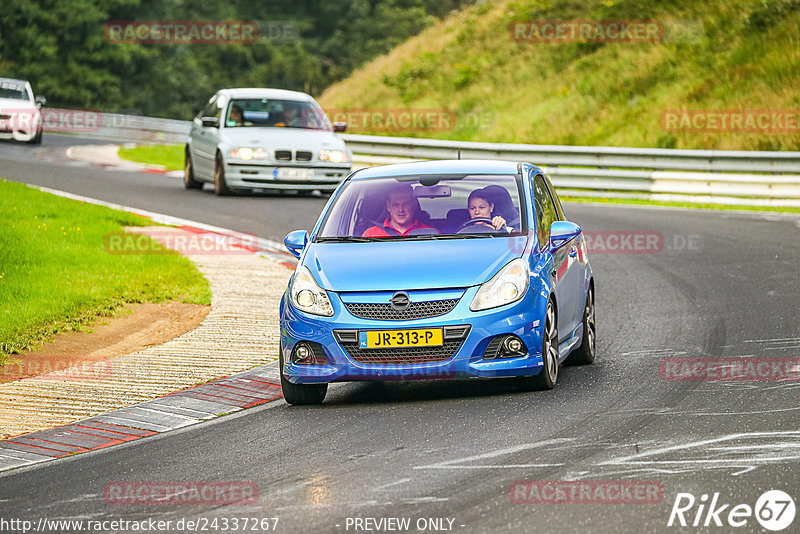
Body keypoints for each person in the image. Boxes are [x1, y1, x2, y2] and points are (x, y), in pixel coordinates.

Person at [363, 184, 438, 237]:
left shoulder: (430, 233)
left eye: (406, 204)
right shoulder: (370, 234)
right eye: (395, 205)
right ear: (388, 206)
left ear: (414, 204)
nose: (401, 210)